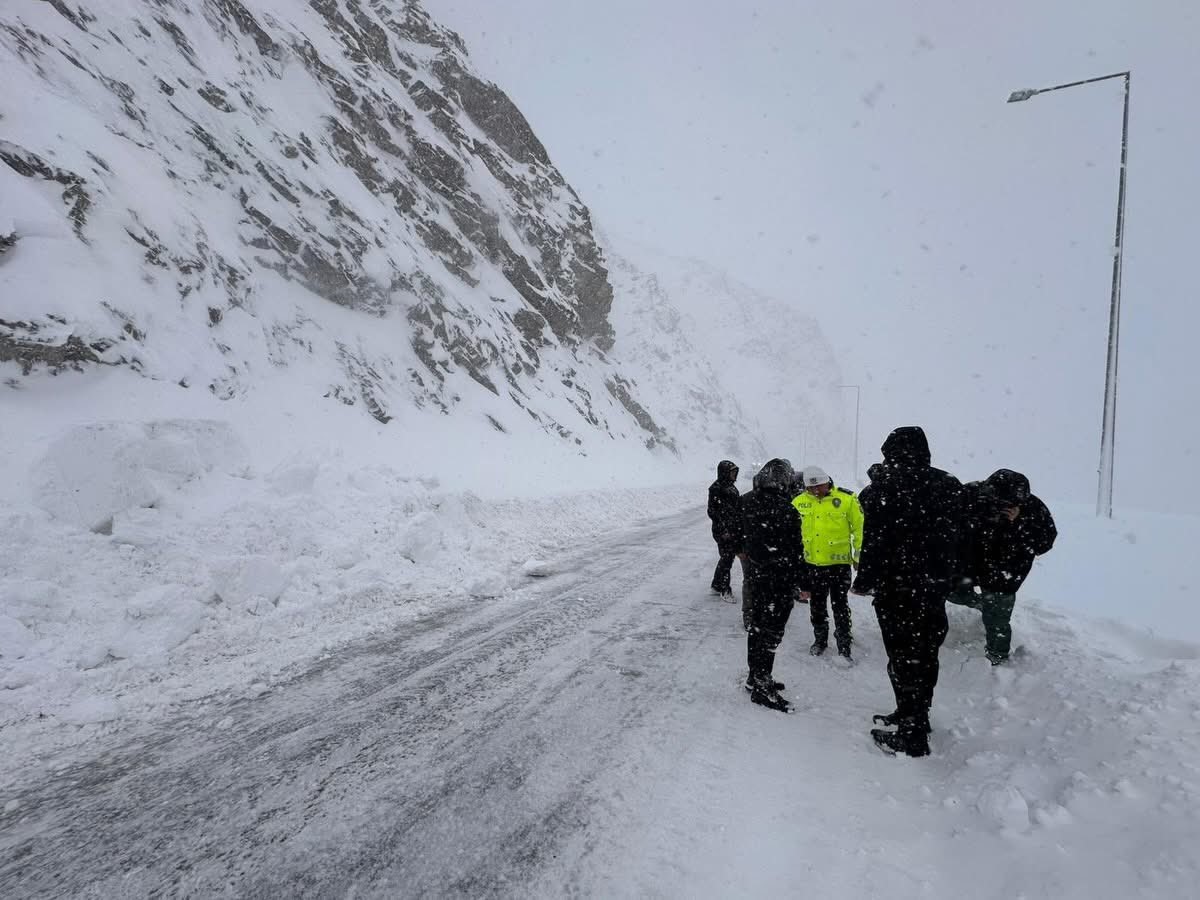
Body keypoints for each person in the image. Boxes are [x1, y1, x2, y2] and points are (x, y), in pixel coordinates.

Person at [851, 427, 962, 757]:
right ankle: (915, 716)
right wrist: (951, 577)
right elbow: (961, 538)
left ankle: (912, 736)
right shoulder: (949, 486)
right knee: (925, 654)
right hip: (933, 588)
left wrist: (865, 580)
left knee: (903, 656)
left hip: (897, 586)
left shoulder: (883, 489)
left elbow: (875, 541)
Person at [950, 469, 1057, 665]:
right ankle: (982, 604)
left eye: (1008, 503)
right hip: (969, 563)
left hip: (1005, 571)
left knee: (998, 620)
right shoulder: (972, 495)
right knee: (951, 591)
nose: (1001, 506)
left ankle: (997, 658)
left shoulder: (1033, 508)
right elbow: (947, 521)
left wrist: (1018, 523)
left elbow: (1044, 543)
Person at [739, 458, 809, 712]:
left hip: (757, 577)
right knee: (771, 632)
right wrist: (802, 581)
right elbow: (796, 550)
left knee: (758, 628)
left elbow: (736, 534)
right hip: (779, 580)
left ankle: (755, 676)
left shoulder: (747, 502)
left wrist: (747, 553)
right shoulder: (786, 509)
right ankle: (761, 684)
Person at [792, 465, 863, 659]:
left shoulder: (847, 499)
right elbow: (792, 536)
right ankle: (820, 639)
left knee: (840, 605)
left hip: (839, 566)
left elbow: (860, 531)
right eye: (810, 488)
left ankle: (844, 641)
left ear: (827, 482)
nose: (815, 491)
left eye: (819, 486)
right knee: (817, 605)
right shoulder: (798, 503)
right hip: (812, 566)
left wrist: (858, 558)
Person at [706, 460, 742, 599]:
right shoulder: (716, 488)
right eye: (732, 472)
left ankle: (716, 585)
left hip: (732, 528)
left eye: (735, 472)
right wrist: (724, 528)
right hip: (722, 530)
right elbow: (711, 511)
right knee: (727, 557)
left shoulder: (732, 487)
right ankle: (725, 589)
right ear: (725, 472)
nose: (734, 474)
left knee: (728, 557)